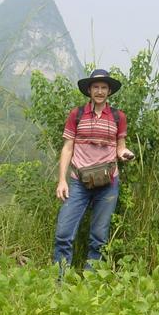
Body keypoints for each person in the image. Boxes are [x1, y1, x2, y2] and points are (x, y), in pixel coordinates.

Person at [53, 69, 134, 275]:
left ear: (109, 91)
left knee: (99, 237)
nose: (100, 91)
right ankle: (59, 280)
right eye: (96, 87)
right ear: (89, 90)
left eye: (104, 87)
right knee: (63, 233)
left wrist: (125, 153)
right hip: (79, 181)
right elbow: (67, 148)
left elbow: (119, 147)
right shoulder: (77, 114)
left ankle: (90, 283)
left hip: (108, 184)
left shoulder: (118, 117)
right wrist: (62, 180)